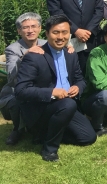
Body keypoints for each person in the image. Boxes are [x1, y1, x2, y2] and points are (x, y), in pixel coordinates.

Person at [15, 14, 96, 162]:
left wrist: (78, 87)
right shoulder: (34, 56)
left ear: (69, 33)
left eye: (65, 32)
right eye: (55, 32)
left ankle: (45, 134)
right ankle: (50, 149)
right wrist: (52, 92)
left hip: (66, 106)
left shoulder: (70, 54)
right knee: (68, 104)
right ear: (46, 34)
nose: (60, 37)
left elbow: (80, 80)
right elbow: (21, 91)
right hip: (42, 108)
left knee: (88, 137)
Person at [1, 13, 46, 145]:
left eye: (33, 26)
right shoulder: (12, 49)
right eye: (26, 27)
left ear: (40, 28)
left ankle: (40, 128)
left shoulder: (47, 44)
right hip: (15, 90)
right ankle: (17, 130)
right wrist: (25, 57)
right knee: (18, 99)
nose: (30, 30)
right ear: (19, 31)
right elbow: (11, 76)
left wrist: (68, 48)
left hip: (41, 87)